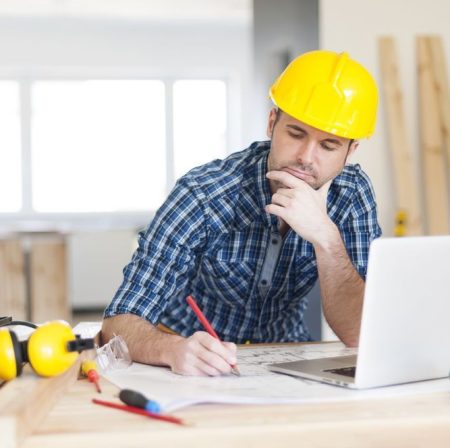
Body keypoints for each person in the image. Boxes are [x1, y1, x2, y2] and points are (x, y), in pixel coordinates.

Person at [102, 50, 382, 377]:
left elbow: (361, 334)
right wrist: (173, 349)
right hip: (186, 352)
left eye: (329, 145)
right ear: (271, 123)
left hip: (284, 357)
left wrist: (326, 238)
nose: (306, 157)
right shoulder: (203, 193)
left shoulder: (351, 194)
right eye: (296, 134)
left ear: (351, 151)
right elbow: (117, 322)